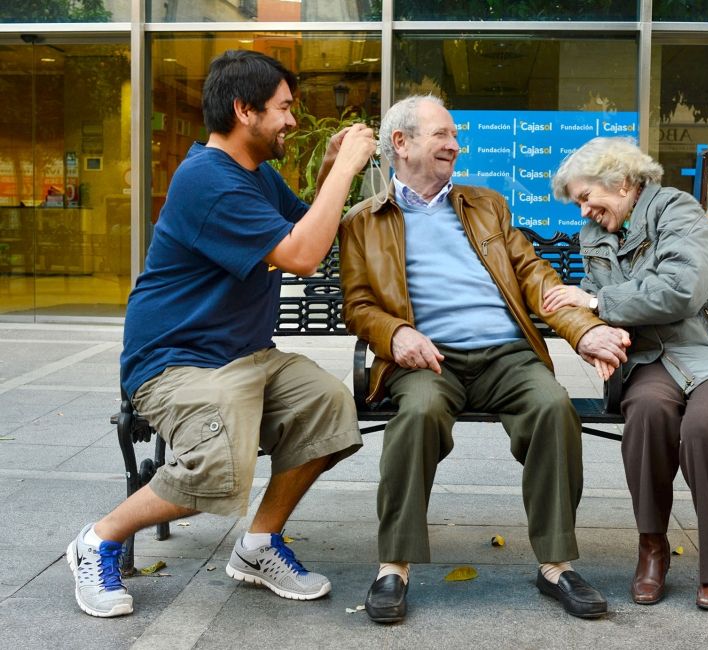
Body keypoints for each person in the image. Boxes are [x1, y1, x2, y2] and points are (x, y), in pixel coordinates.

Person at [66, 49, 376, 618]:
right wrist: (350, 168)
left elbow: (307, 226)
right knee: (217, 463)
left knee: (330, 408)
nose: (293, 120)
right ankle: (97, 539)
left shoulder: (254, 176)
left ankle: (258, 545)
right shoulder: (207, 181)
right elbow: (303, 256)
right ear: (244, 109)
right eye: (284, 108)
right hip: (175, 364)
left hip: (245, 355)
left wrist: (332, 171)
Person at [339, 95, 631, 623]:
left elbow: (532, 273)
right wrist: (396, 332)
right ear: (400, 145)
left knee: (552, 408)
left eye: (454, 135)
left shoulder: (485, 204)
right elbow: (358, 305)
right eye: (441, 135)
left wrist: (584, 331)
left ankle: (556, 565)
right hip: (428, 360)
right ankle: (393, 566)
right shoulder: (365, 220)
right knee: (418, 416)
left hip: (505, 355)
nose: (455, 144)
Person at [544, 136, 708, 610]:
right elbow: (588, 292)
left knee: (704, 426)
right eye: (578, 202)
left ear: (622, 182)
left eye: (586, 197)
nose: (583, 211)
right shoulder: (597, 234)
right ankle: (652, 547)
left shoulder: (679, 213)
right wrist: (595, 338)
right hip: (654, 360)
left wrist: (596, 303)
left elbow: (682, 290)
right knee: (647, 411)